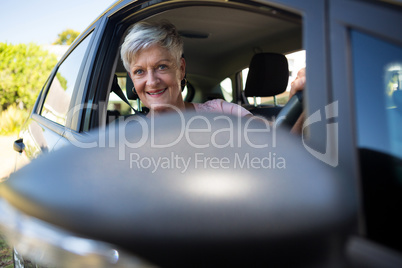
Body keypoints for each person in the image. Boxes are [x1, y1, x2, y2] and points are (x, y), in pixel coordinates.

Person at [120, 20, 304, 118]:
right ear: (132, 79)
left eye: (161, 66)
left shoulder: (220, 111)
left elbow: (273, 143)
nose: (151, 81)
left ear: (181, 69)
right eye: (139, 71)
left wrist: (297, 102)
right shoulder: (130, 136)